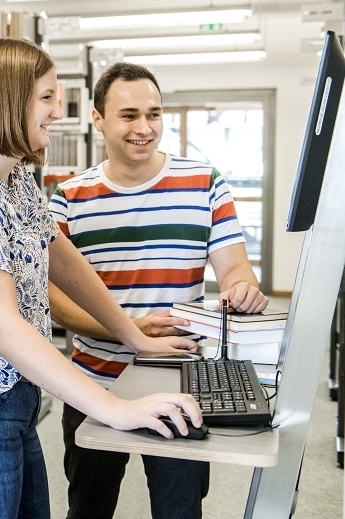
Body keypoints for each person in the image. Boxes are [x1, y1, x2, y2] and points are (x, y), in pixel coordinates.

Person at [0, 38, 203, 519]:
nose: (58, 111)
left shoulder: (14, 179)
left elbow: (64, 259)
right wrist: (110, 406)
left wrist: (134, 336)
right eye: (46, 97)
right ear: (8, 100)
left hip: (11, 398)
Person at [48, 61, 269, 519]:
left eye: (154, 114)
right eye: (129, 115)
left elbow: (235, 270)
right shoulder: (68, 197)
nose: (144, 128)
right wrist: (127, 330)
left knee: (179, 511)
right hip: (95, 384)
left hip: (180, 384)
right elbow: (54, 304)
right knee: (89, 508)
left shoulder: (204, 183)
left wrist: (242, 289)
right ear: (98, 119)